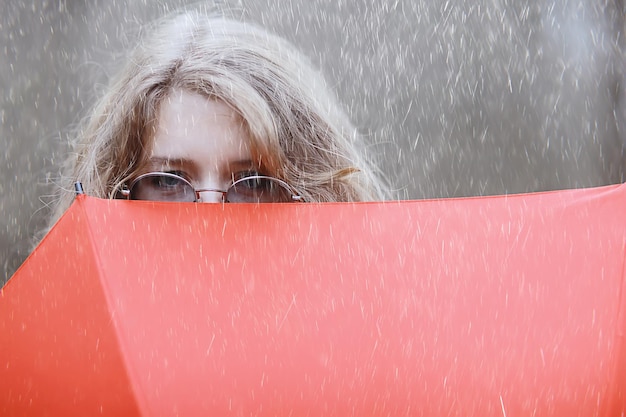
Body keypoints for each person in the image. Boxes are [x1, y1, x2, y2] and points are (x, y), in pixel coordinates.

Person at [48, 10, 386, 228]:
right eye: (168, 180)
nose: (210, 218)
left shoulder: (360, 332)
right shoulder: (67, 335)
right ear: (113, 192)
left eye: (254, 182)